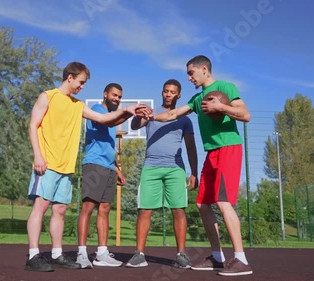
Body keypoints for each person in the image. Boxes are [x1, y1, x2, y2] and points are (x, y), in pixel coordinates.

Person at [25, 62, 151, 272]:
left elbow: (103, 118)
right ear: (70, 78)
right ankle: (33, 255)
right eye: (81, 82)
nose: (82, 86)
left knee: (60, 209)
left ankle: (57, 254)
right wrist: (38, 155)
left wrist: (127, 111)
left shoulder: (77, 105)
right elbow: (32, 125)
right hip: (47, 162)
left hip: (66, 166)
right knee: (41, 206)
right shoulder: (47, 96)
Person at [149, 55, 253, 276]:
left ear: (204, 69)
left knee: (223, 202)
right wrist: (151, 116)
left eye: (191, 73)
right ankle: (217, 257)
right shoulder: (197, 99)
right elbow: (174, 113)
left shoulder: (225, 87)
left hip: (228, 148)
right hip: (211, 152)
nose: (188, 78)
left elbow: (245, 115)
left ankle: (241, 259)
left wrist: (221, 107)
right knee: (202, 204)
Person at [125, 79, 198, 269]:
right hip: (151, 167)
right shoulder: (151, 112)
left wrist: (194, 172)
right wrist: (138, 115)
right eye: (165, 91)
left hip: (175, 169)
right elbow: (134, 126)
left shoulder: (185, 119)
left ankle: (181, 255)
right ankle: (139, 254)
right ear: (162, 93)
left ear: (178, 95)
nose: (168, 94)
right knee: (144, 210)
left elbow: (191, 147)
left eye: (172, 92)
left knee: (178, 210)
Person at [76, 83, 126, 269]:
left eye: (120, 96)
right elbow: (107, 121)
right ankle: (81, 253)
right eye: (114, 95)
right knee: (88, 207)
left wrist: (116, 168)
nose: (117, 99)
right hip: (94, 164)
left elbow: (107, 147)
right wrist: (127, 112)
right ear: (105, 94)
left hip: (107, 166)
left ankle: (102, 253)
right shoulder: (97, 109)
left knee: (105, 208)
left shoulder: (113, 117)